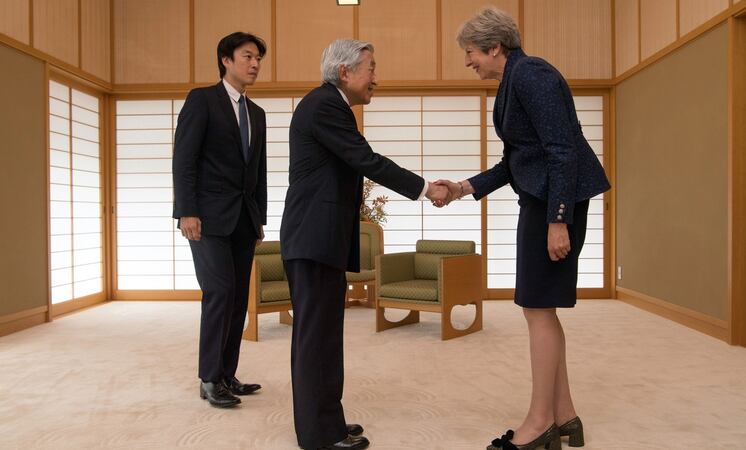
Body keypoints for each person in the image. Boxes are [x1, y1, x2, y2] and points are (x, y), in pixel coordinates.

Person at [439, 8, 611, 450]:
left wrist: (558, 220)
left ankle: (539, 424)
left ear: (495, 47)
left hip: (554, 201)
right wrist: (463, 187)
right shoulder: (514, 80)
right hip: (543, 198)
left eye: (471, 52)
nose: (468, 61)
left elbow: (561, 152)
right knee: (540, 307)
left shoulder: (532, 75)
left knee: (537, 308)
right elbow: (517, 160)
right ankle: (565, 415)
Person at [280, 39, 451, 450]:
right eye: (371, 67)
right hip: (313, 238)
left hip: (318, 238)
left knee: (323, 336)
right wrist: (426, 188)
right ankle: (320, 436)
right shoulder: (324, 105)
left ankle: (329, 423)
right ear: (345, 72)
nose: (376, 77)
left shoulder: (330, 106)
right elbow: (367, 160)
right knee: (316, 339)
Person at [172, 31, 268, 409]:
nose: (255, 64)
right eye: (247, 56)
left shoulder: (256, 113)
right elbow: (184, 159)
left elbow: (257, 171)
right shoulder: (202, 100)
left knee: (238, 299)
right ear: (226, 60)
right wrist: (187, 211)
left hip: (244, 220)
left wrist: (258, 217)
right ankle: (209, 378)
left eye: (258, 58)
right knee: (219, 293)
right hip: (207, 218)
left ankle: (228, 374)